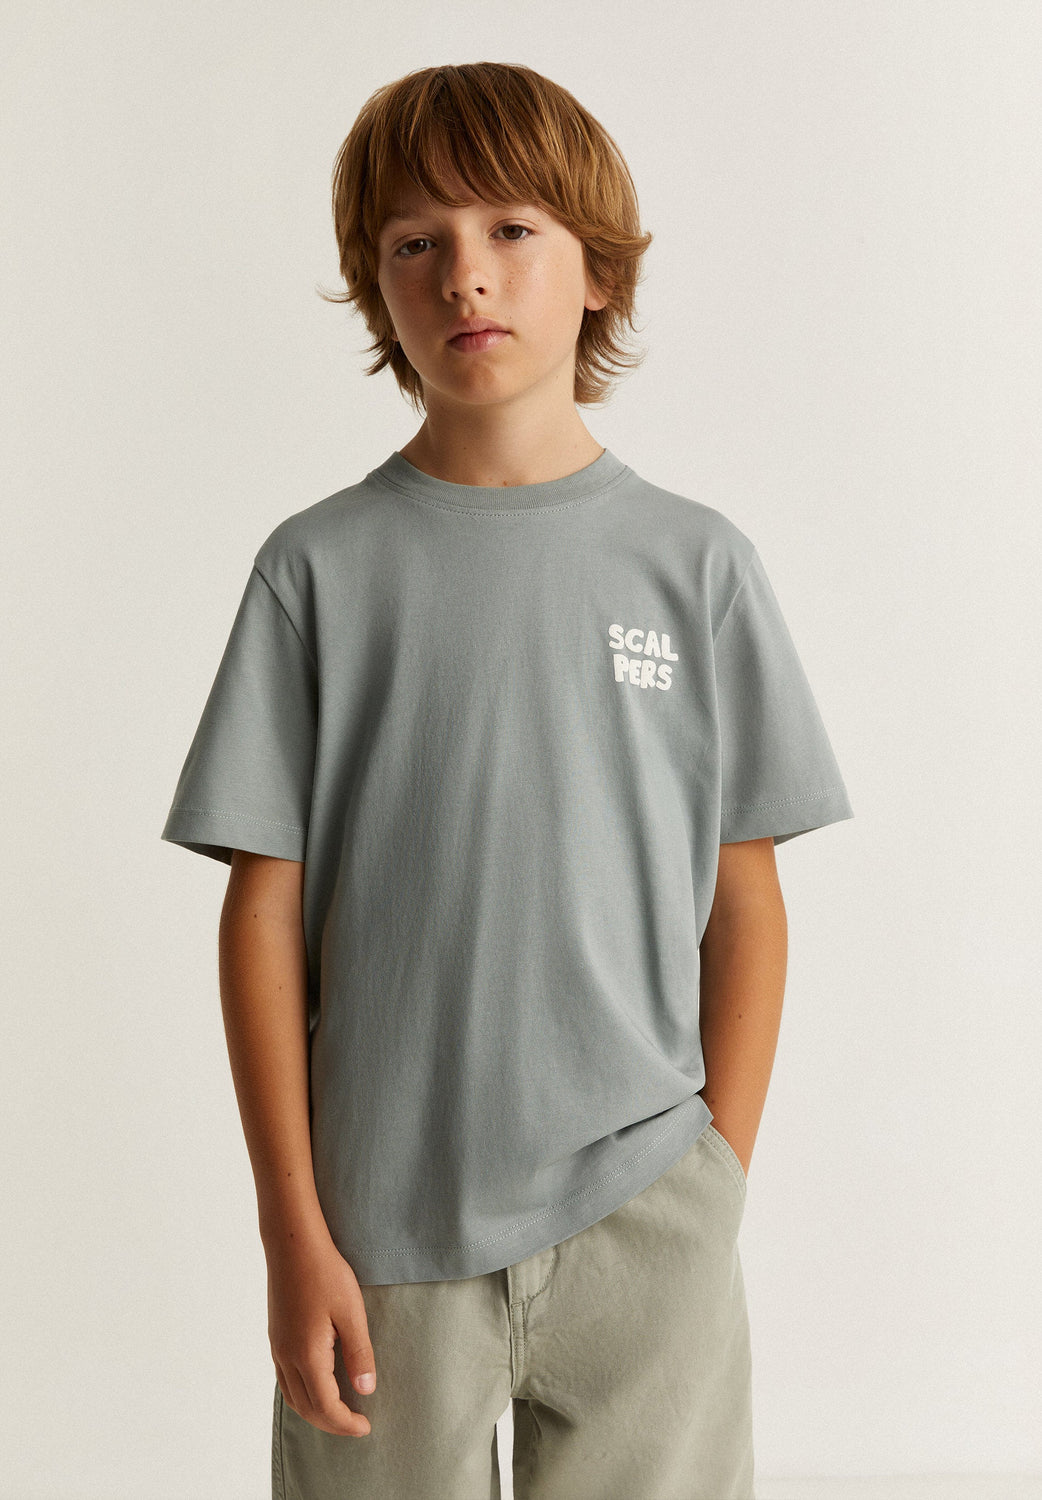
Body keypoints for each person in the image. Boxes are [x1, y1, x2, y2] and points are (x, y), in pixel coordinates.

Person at [160, 61, 853, 1500]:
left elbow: (746, 901)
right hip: (380, 1226)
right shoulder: (317, 572)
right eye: (415, 241)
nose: (463, 275)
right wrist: (293, 1227)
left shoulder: (697, 567)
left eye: (511, 230)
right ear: (377, 287)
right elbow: (261, 913)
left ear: (598, 269)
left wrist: (713, 1176)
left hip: (647, 1207)